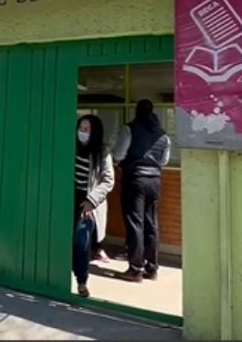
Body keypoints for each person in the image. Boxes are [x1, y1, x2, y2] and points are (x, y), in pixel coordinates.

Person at [111, 99, 171, 283]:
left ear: (137, 111)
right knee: (151, 223)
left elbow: (119, 154)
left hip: (135, 179)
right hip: (155, 181)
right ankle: (151, 268)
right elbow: (164, 161)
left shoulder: (129, 129)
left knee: (135, 223)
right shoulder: (163, 135)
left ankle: (135, 269)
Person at [73, 114, 115, 298]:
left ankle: (82, 281)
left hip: (88, 203)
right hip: (69, 198)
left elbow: (108, 180)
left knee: (82, 243)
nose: (82, 133)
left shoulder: (102, 152)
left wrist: (91, 201)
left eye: (86, 129)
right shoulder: (70, 146)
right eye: (80, 128)